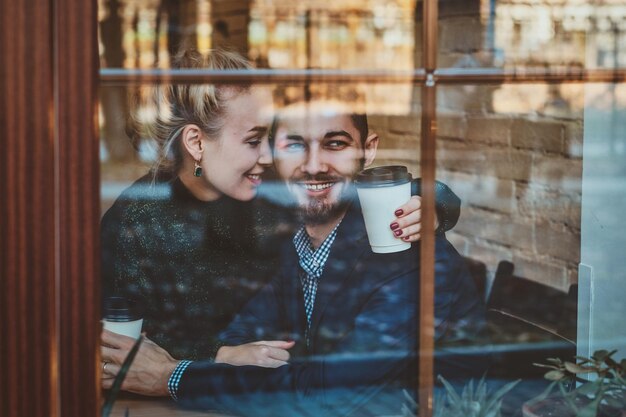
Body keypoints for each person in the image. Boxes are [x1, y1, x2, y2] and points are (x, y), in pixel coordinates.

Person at [101, 96, 485, 416]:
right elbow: (246, 329)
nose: (314, 165)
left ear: (367, 151)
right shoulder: (296, 238)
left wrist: (171, 376)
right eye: (295, 145)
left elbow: (326, 396)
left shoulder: (404, 252)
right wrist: (226, 355)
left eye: (335, 144)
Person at [101, 49, 461, 360]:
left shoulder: (267, 185)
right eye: (255, 139)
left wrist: (434, 203)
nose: (270, 154)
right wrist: (218, 356)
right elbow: (120, 338)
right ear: (196, 143)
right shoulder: (136, 221)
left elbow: (351, 183)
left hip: (287, 380)